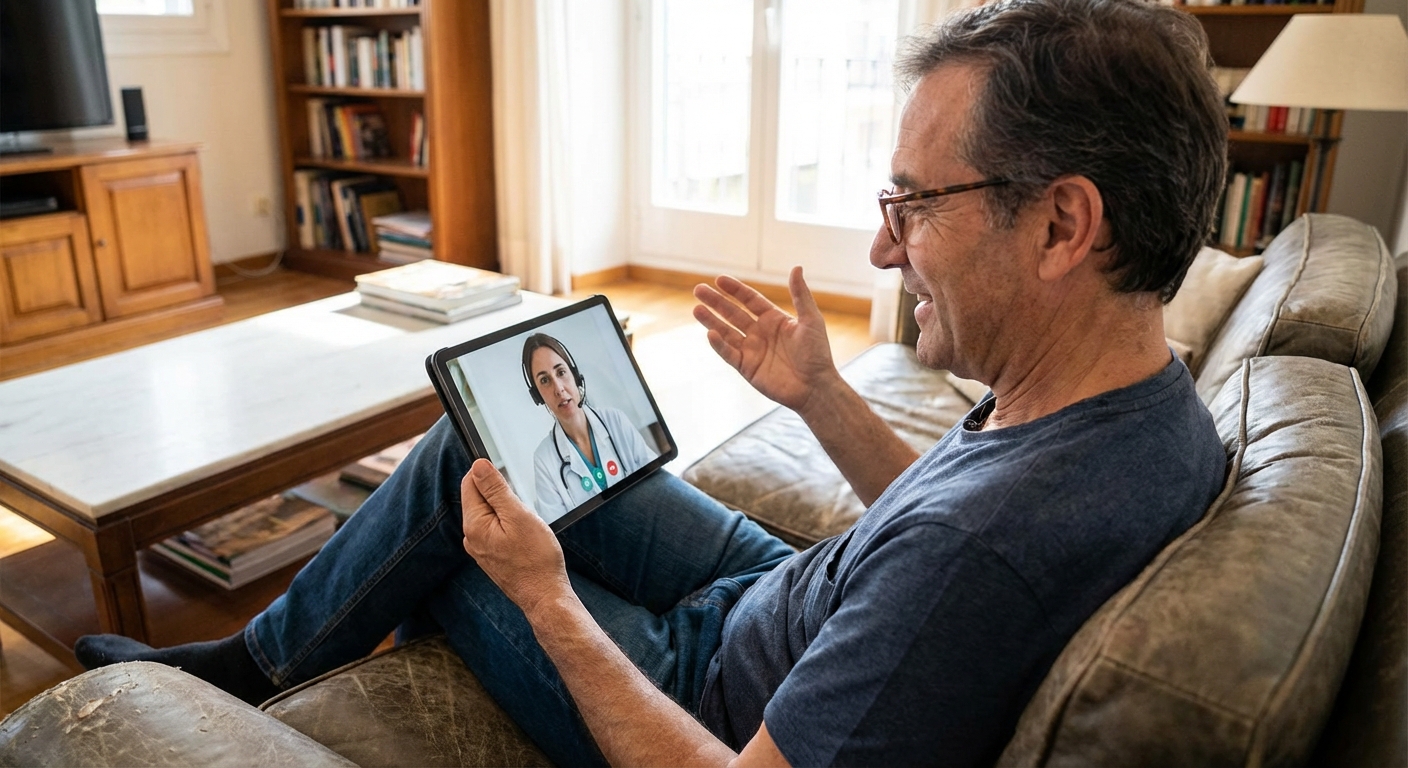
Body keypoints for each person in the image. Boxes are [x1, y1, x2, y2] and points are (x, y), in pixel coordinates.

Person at [74, 0, 1231, 764]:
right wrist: (820, 397)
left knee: (461, 520)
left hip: (709, 684)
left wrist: (544, 599)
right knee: (476, 448)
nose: (884, 251)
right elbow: (941, 504)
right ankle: (259, 656)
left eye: (916, 204)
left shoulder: (993, 554)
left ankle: (248, 672)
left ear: (1061, 224)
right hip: (783, 587)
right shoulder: (1134, 402)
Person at [522, 333, 659, 521]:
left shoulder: (615, 420)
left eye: (561, 372)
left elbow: (657, 481)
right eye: (545, 380)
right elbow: (560, 534)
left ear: (575, 376)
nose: (558, 388)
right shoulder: (544, 460)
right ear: (538, 397)